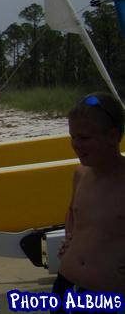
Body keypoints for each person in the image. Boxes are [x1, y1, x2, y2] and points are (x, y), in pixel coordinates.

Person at [51, 92, 125, 308]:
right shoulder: (80, 174)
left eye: (84, 138)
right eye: (72, 137)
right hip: (66, 286)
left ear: (112, 136)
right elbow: (73, 212)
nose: (76, 145)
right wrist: (69, 238)